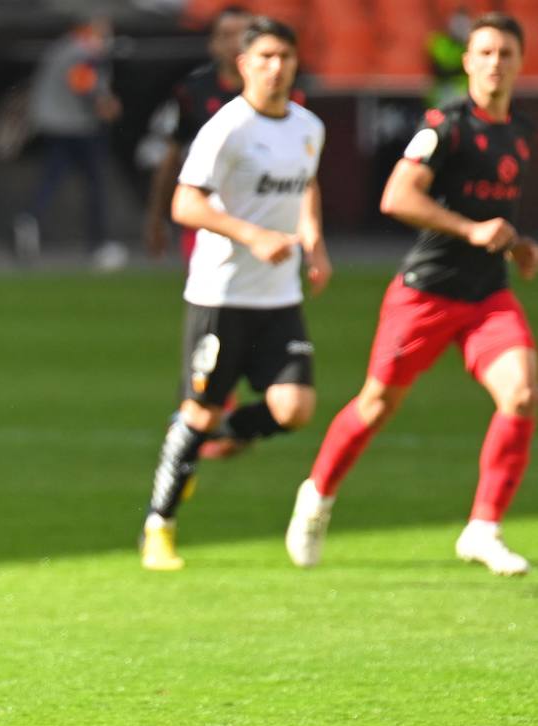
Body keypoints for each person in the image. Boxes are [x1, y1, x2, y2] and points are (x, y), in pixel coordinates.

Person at [286, 13, 538, 576]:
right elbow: (396, 197)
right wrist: (473, 231)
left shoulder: (520, 134)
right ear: (468, 61)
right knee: (377, 405)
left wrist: (516, 244)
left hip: (487, 295)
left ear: (520, 63)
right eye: (486, 53)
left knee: (521, 395)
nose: (496, 63)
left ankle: (483, 528)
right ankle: (318, 496)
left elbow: (490, 213)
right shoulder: (444, 126)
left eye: (506, 53)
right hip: (426, 292)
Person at [139, 17, 331, 571]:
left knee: (294, 408)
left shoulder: (308, 126)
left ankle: (206, 444)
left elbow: (307, 182)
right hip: (221, 296)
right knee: (197, 411)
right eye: (265, 57)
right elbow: (186, 204)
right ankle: (160, 526)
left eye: (285, 58)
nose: (276, 68)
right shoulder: (227, 129)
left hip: (277, 296)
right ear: (244, 64)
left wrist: (313, 242)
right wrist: (252, 234)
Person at [13, 15, 128, 270]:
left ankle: (30, 219)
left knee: (52, 178)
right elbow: (83, 83)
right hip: (79, 127)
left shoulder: (60, 48)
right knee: (96, 184)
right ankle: (98, 245)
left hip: (54, 124)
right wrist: (103, 102)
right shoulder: (81, 51)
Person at [144, 6, 253, 263]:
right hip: (207, 212)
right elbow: (171, 156)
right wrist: (155, 217)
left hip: (258, 212)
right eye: (227, 35)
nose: (236, 43)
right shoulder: (193, 91)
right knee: (208, 296)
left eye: (244, 35)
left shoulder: (276, 94)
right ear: (213, 43)